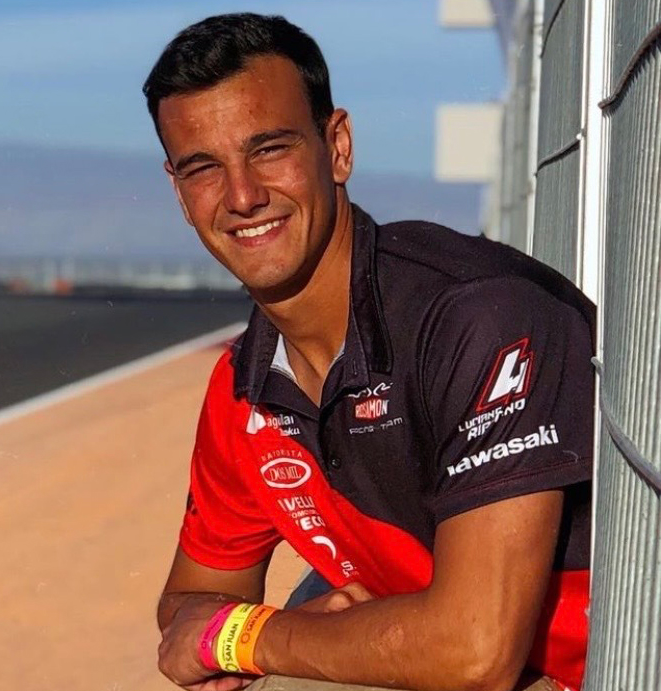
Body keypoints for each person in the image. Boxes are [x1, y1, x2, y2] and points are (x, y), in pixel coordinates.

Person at [144, 13, 593, 691]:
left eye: (269, 150)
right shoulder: (242, 388)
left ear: (337, 147)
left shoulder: (478, 317)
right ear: (179, 192)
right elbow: (188, 605)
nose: (242, 196)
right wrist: (251, 634)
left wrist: (257, 636)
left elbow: (475, 651)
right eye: (203, 168)